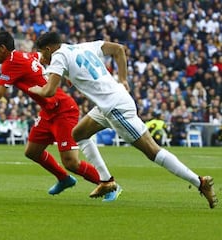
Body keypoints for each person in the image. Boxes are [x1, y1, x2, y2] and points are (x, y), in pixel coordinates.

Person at [29, 31, 217, 208]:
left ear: (48, 49)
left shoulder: (59, 56)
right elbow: (118, 49)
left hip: (115, 108)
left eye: (42, 55)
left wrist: (33, 89)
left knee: (152, 151)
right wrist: (123, 80)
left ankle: (199, 182)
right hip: (109, 103)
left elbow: (49, 91)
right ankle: (106, 181)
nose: (43, 60)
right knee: (78, 134)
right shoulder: (82, 47)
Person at [0, 31, 121, 200]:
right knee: (32, 151)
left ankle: (109, 185)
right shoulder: (25, 56)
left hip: (63, 110)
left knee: (71, 162)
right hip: (49, 111)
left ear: (3, 48)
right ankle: (64, 179)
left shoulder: (10, 63)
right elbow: (47, 58)